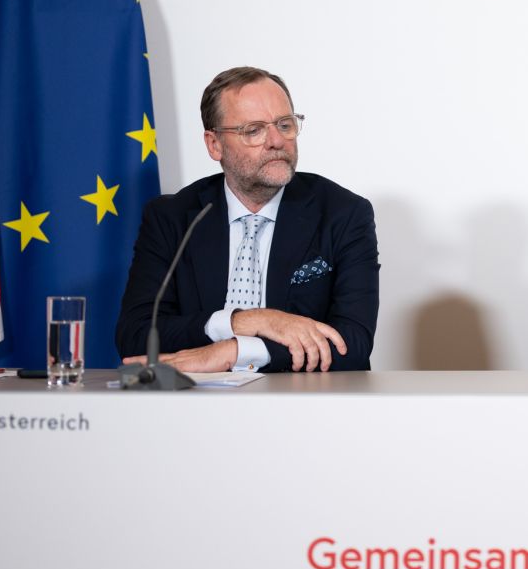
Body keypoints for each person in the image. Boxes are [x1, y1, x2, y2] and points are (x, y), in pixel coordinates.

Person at [116, 66, 378, 372]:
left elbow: (353, 343)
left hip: (298, 397)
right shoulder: (172, 218)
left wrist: (235, 350)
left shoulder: (343, 214)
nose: (276, 141)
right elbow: (136, 336)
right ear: (214, 144)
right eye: (254, 130)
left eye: (285, 125)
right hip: (196, 398)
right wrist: (246, 321)